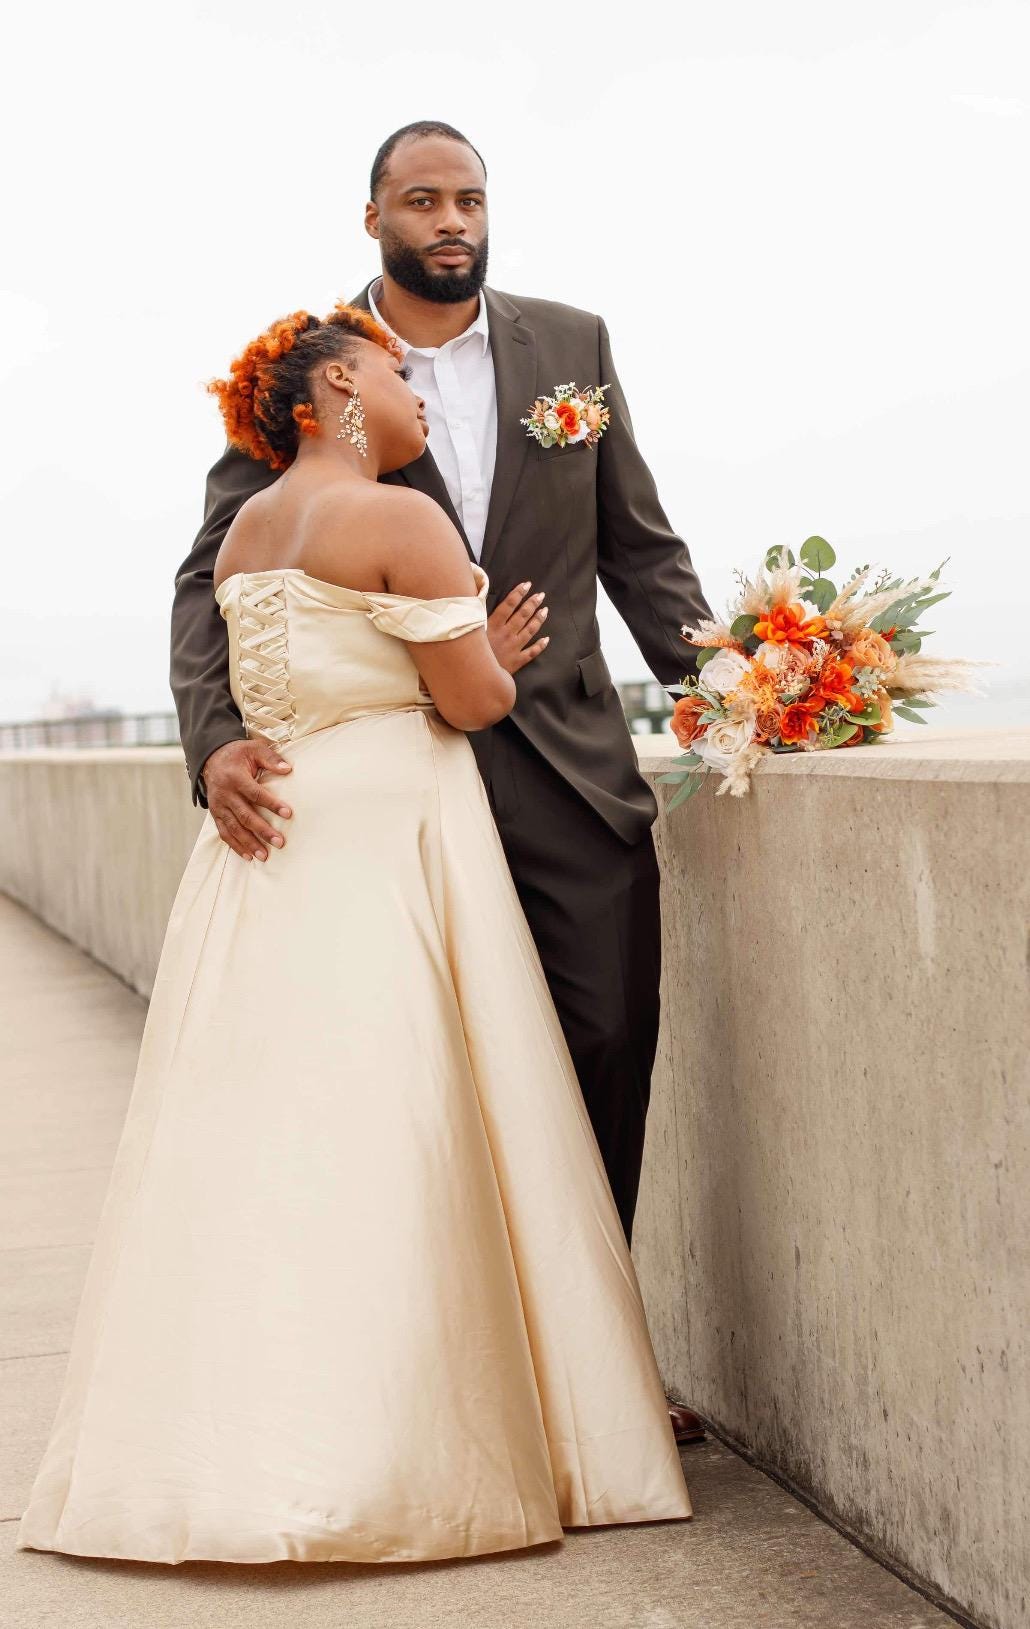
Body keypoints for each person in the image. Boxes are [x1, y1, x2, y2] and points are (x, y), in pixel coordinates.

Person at [16, 302, 692, 1565]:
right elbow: (473, 697)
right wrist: (480, 651)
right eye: (392, 379)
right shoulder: (399, 516)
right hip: (393, 844)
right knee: (407, 1133)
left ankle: (239, 1439)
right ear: (334, 389)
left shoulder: (252, 534)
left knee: (276, 1146)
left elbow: (280, 655)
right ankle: (415, 1434)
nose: (416, 400)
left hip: (273, 856)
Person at [170, 120, 714, 1443]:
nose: (450, 218)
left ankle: (588, 1365)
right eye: (422, 199)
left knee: (601, 1041)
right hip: (391, 793)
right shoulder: (319, 373)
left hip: (573, 774)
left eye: (468, 196)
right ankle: (464, 1380)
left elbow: (637, 547)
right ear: (375, 220)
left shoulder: (566, 349)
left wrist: (733, 694)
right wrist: (214, 739)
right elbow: (218, 575)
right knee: (415, 1085)